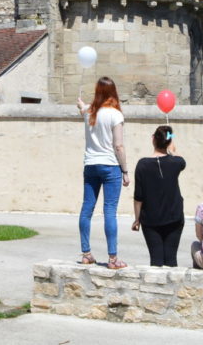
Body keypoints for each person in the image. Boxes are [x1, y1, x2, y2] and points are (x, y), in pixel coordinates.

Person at [77, 77, 129, 269]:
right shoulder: (115, 115)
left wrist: (81, 105)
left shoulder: (89, 112)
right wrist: (125, 170)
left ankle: (86, 253)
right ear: (113, 92)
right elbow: (119, 145)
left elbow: (83, 108)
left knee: (87, 209)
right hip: (110, 166)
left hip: (90, 165)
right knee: (109, 211)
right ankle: (113, 259)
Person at [131, 125, 186, 266]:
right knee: (171, 260)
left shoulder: (142, 164)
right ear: (169, 142)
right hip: (174, 217)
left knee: (156, 260)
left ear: (153, 139)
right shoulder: (176, 162)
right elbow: (181, 160)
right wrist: (171, 146)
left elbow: (138, 197)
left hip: (151, 219)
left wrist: (137, 219)